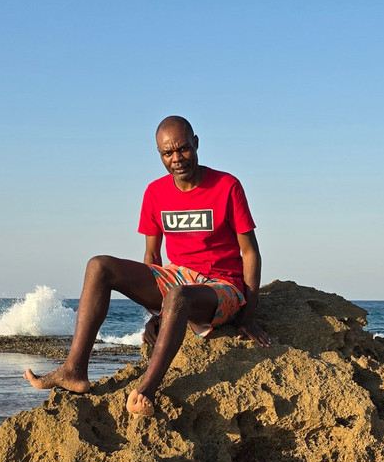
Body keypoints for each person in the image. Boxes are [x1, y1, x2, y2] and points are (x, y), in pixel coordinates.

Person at [25, 116, 270, 416]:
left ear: (196, 143)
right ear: (159, 154)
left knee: (179, 296)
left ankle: (146, 390)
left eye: (183, 149)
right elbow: (152, 258)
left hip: (220, 286)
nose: (177, 159)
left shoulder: (227, 186)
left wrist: (250, 315)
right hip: (176, 275)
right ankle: (74, 370)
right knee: (98, 266)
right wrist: (159, 314)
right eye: (168, 153)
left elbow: (250, 253)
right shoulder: (155, 193)